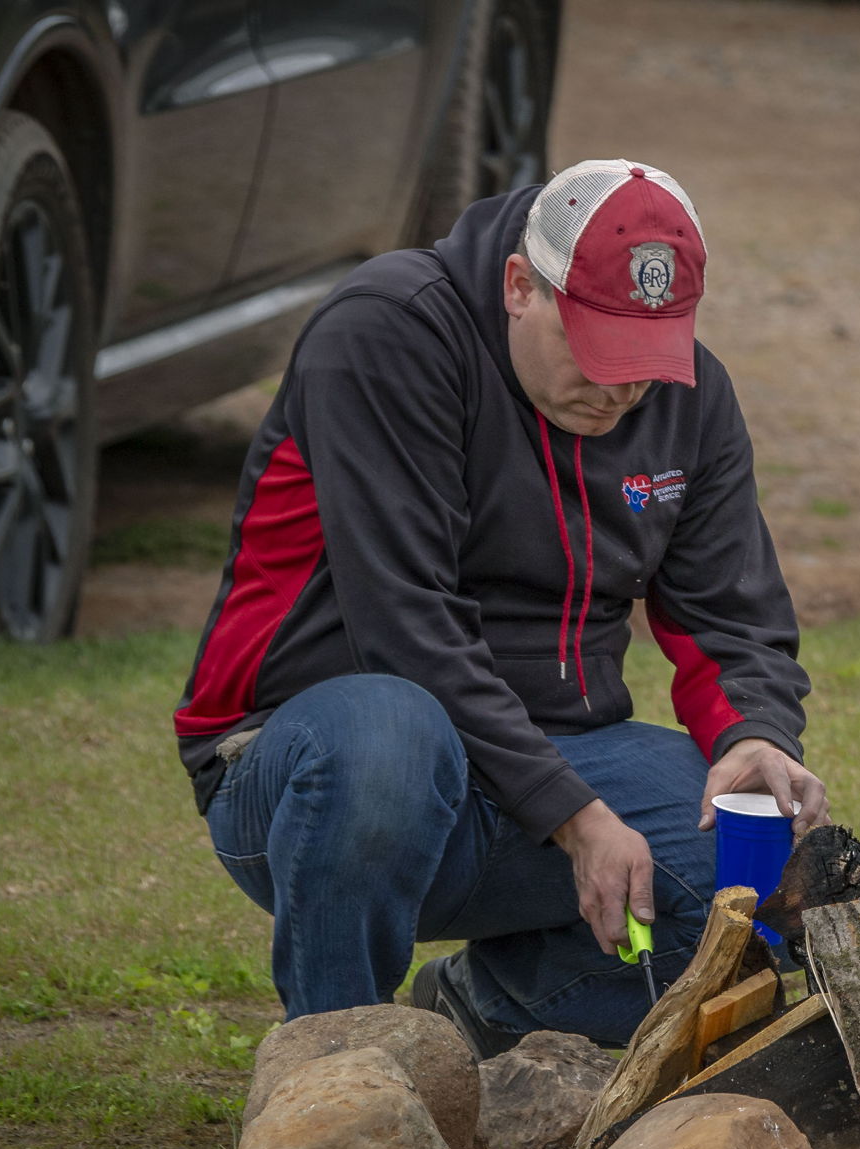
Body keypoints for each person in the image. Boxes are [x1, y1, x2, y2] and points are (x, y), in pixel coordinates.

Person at [172, 159, 825, 1058]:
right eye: (597, 356)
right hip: (312, 765)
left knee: (744, 866)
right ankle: (333, 1073)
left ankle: (485, 1012)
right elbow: (405, 627)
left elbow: (733, 618)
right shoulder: (384, 334)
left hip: (545, 760)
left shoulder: (693, 399)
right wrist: (580, 817)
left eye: (644, 364)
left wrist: (756, 734)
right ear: (521, 286)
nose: (619, 392)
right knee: (388, 730)